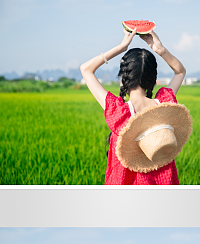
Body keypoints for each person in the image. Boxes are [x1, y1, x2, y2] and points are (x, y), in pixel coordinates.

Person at [80, 29, 187, 185]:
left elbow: (86, 69)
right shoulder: (164, 104)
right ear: (153, 79)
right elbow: (180, 72)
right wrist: (160, 50)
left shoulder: (118, 112)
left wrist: (121, 47)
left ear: (123, 77)